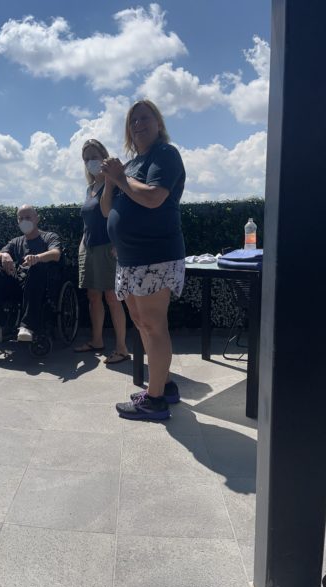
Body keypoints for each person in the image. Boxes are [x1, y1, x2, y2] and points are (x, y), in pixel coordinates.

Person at [100, 99, 186, 421]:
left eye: (145, 117)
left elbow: (153, 197)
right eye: (133, 120)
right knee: (141, 322)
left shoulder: (165, 154)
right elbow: (107, 210)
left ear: (158, 123)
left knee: (153, 324)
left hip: (155, 255)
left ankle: (155, 401)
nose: (138, 123)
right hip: (130, 259)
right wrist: (112, 180)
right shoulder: (133, 165)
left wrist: (121, 177)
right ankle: (163, 385)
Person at [75, 139, 130, 364]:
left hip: (109, 248)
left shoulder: (114, 184)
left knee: (113, 297)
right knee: (93, 296)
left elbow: (119, 216)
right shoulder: (90, 189)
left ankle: (122, 348)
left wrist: (119, 244)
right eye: (86, 158)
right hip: (88, 249)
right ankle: (97, 340)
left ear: (103, 156)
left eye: (94, 156)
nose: (90, 162)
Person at [0, 205, 61, 343]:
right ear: (17, 222)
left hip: (40, 286)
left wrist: (37, 258)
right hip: (17, 285)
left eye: (28, 217)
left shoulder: (49, 237)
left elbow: (56, 254)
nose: (24, 221)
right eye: (21, 218)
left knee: (35, 268)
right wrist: (4, 254)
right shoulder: (16, 242)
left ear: (36, 219)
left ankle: (28, 326)